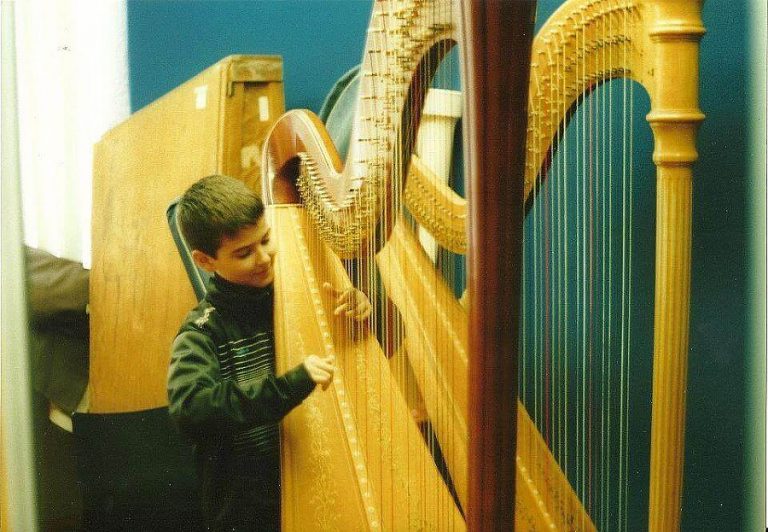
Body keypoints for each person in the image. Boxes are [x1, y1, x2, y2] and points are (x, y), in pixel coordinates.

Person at [167, 174, 371, 531]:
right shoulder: (203, 332)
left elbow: (369, 358)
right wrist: (289, 386)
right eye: (244, 253)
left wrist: (366, 311)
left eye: (265, 239)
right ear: (205, 260)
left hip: (314, 475)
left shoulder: (298, 293)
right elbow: (191, 410)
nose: (264, 258)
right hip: (249, 510)